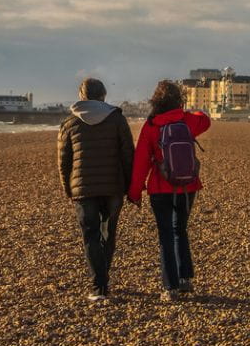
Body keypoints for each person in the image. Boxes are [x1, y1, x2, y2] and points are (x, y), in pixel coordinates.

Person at [127, 80, 211, 302]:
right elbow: (206, 120)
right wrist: (188, 110)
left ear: (155, 101)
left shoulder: (152, 126)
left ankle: (170, 287)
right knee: (180, 229)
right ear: (179, 100)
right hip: (187, 185)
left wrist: (135, 192)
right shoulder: (188, 121)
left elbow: (141, 162)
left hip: (160, 187)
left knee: (165, 235)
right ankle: (185, 279)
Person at [58, 78, 135, 303]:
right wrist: (131, 185)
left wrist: (67, 188)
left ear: (82, 95)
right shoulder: (117, 119)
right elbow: (128, 154)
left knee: (90, 235)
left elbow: (64, 161)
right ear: (103, 95)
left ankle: (98, 286)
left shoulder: (70, 123)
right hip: (113, 187)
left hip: (83, 189)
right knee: (108, 232)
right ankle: (103, 278)